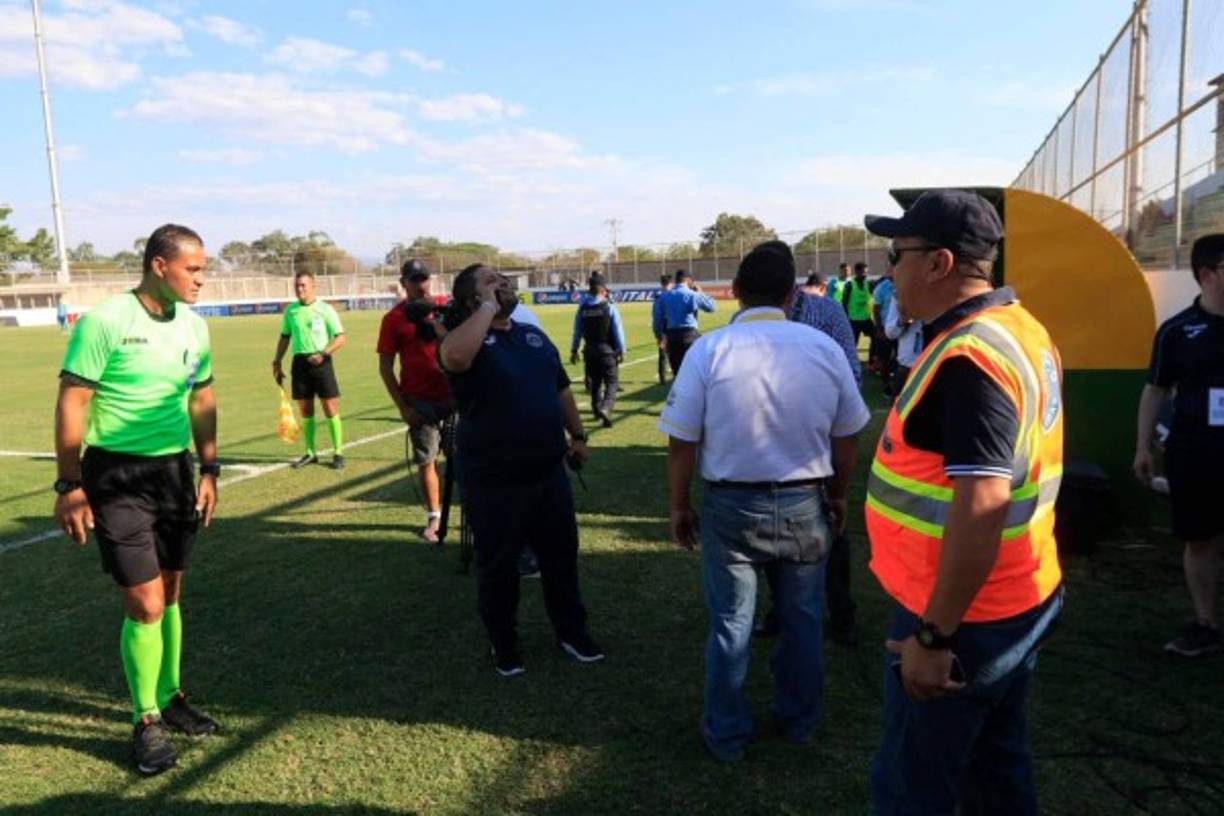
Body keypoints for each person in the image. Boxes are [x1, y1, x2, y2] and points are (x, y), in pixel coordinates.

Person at [862, 190, 1065, 814]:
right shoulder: (1019, 328)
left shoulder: (971, 356)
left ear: (939, 264)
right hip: (1017, 598)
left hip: (962, 617)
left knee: (911, 787)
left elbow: (982, 504)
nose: (890, 271)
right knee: (994, 770)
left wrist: (933, 634)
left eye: (899, 254)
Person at [660, 241, 869, 762]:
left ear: (734, 292)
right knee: (802, 619)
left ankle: (727, 732)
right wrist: (839, 494)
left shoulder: (711, 349)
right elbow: (849, 436)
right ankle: (798, 719)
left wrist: (679, 506)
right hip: (806, 500)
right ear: (791, 292)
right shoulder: (822, 347)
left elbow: (681, 442)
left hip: (731, 506)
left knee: (731, 623)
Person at [53, 224, 220, 776]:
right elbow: (74, 399)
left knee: (171, 590)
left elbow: (201, 398)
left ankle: (171, 698)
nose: (201, 278)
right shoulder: (105, 321)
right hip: (115, 474)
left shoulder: (195, 329)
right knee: (144, 603)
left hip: (175, 471)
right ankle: (145, 718)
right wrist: (69, 484)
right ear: (158, 265)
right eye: (193, 268)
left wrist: (209, 466)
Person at [438, 264, 603, 676]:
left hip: (547, 471)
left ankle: (571, 631)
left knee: (561, 558)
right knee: (498, 565)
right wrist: (484, 310)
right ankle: (504, 641)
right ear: (471, 298)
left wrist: (578, 435)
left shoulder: (532, 336)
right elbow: (455, 357)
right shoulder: (466, 340)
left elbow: (560, 387)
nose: (504, 284)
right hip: (493, 477)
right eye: (491, 281)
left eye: (503, 279)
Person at [1134, 233, 1224, 657]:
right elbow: (1155, 390)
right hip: (1196, 451)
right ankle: (1206, 622)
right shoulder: (1176, 332)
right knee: (1200, 537)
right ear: (1207, 275)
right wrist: (1142, 446)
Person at [783, 281, 863, 647]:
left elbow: (850, 369)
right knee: (783, 527)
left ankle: (841, 612)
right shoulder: (746, 320)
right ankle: (783, 609)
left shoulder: (827, 311)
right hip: (781, 436)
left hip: (819, 429)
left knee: (831, 524)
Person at [377, 259, 454, 543]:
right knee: (427, 461)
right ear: (404, 283)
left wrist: (437, 325)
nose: (421, 284)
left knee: (466, 459)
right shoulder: (393, 319)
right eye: (414, 279)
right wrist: (403, 407)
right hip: (419, 401)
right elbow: (385, 367)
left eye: (424, 279)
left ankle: (476, 515)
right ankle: (435, 517)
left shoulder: (445, 309)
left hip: (453, 397)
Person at [272, 271, 348, 470]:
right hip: (300, 363)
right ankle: (310, 452)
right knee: (305, 410)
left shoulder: (325, 309)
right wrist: (277, 361)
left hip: (322, 362)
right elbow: (285, 337)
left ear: (314, 286)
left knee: (330, 408)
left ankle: (338, 452)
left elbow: (340, 337)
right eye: (297, 285)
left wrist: (324, 353)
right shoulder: (291, 311)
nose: (300, 289)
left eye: (304, 285)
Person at [569, 272, 627, 428]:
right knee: (612, 382)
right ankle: (606, 408)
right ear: (603, 290)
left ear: (589, 290)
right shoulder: (609, 307)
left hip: (589, 350)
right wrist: (622, 350)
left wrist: (574, 350)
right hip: (606, 349)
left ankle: (596, 410)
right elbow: (617, 330)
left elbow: (577, 332)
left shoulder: (582, 309)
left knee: (595, 382)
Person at [653, 269, 716, 375]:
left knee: (677, 375)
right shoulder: (692, 295)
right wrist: (701, 293)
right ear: (688, 280)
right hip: (689, 335)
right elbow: (711, 307)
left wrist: (659, 337)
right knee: (694, 374)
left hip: (672, 337)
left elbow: (657, 320)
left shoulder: (663, 297)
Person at [882, 294, 923, 399]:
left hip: (935, 364)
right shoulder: (900, 295)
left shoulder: (941, 291)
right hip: (907, 366)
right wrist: (902, 321)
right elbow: (890, 333)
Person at [872, 267, 898, 396]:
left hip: (900, 330)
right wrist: (879, 329)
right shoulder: (881, 288)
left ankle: (898, 385)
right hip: (885, 329)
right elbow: (876, 309)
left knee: (901, 359)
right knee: (884, 360)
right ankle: (886, 387)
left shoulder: (902, 284)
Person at [841, 261, 875, 348]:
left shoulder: (869, 284)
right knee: (852, 343)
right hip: (854, 320)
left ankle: (872, 359)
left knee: (876, 337)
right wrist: (846, 319)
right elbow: (844, 302)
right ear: (856, 272)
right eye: (863, 272)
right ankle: (852, 360)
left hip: (866, 319)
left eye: (866, 272)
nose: (865, 275)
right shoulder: (849, 285)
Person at [652, 273, 673, 384]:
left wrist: (657, 333)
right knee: (675, 352)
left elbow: (655, 316)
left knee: (662, 353)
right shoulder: (674, 295)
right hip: (673, 326)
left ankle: (662, 378)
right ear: (670, 283)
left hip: (663, 328)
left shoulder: (658, 297)